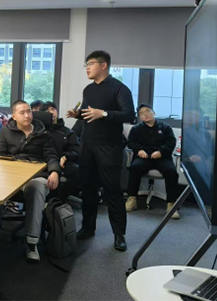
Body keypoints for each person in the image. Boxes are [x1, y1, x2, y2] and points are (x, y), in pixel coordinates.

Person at [66, 50, 135, 252]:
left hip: (109, 146)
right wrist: (78, 114)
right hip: (87, 145)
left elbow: (129, 115)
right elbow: (89, 114)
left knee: (112, 191)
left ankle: (119, 234)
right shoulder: (88, 89)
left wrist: (103, 113)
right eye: (86, 64)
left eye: (91, 64)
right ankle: (88, 228)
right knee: (88, 189)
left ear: (103, 65)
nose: (87, 68)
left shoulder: (119, 88)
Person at [0, 101, 60, 262]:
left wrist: (55, 172)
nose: (27, 115)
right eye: (22, 113)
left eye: (29, 111)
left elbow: (51, 156)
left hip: (36, 175)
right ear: (14, 116)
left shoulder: (42, 133)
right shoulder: (6, 131)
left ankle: (32, 242)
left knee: (36, 188)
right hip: (11, 174)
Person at [126, 104, 180, 219]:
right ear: (139, 117)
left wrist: (161, 151)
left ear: (153, 113)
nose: (145, 114)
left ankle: (172, 204)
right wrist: (139, 150)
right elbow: (131, 142)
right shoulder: (136, 129)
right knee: (134, 167)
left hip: (162, 157)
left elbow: (171, 142)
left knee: (171, 172)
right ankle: (132, 198)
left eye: (147, 111)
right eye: (141, 113)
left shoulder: (165, 127)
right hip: (143, 157)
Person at [40, 102, 81, 201]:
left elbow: (76, 148)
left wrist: (66, 156)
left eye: (53, 109)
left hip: (63, 163)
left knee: (78, 171)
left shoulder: (67, 132)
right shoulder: (40, 131)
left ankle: (58, 200)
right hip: (43, 163)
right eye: (47, 111)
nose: (51, 113)